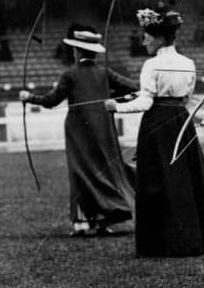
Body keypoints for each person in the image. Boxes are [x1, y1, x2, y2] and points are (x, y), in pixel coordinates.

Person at [105, 8, 204, 257]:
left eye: (147, 36)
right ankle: (194, 239)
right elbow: (186, 99)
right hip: (181, 121)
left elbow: (146, 102)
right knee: (183, 179)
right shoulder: (188, 63)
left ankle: (161, 244)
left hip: (156, 125)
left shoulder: (152, 64)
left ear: (159, 38)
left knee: (157, 181)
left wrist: (116, 106)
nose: (144, 41)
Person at [20, 27, 137, 237]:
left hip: (78, 133)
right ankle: (103, 221)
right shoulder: (105, 73)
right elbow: (133, 87)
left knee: (80, 172)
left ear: (78, 52)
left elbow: (51, 100)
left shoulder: (70, 75)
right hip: (104, 131)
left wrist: (29, 97)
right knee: (103, 170)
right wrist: (113, 95)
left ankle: (83, 223)